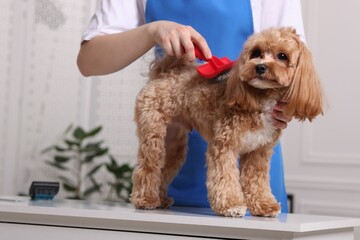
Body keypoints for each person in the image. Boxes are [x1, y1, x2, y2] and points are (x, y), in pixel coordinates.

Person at [77, 0, 305, 213]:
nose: (264, 62)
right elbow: (88, 60)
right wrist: (152, 31)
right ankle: (151, 188)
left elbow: (297, 71)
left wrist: (285, 106)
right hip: (174, 191)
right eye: (257, 54)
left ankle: (256, 196)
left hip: (259, 175)